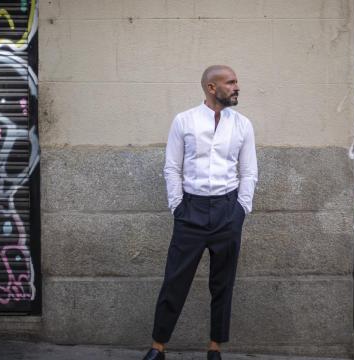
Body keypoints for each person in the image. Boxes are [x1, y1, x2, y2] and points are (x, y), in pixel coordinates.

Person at [142, 65, 258, 360]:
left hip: (227, 210)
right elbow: (172, 167)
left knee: (222, 283)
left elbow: (248, 171)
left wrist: (241, 209)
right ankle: (158, 346)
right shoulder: (185, 121)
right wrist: (177, 207)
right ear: (211, 87)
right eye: (230, 82)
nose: (236, 87)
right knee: (174, 280)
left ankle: (215, 348)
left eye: (236, 81)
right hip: (190, 212)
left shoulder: (242, 124)